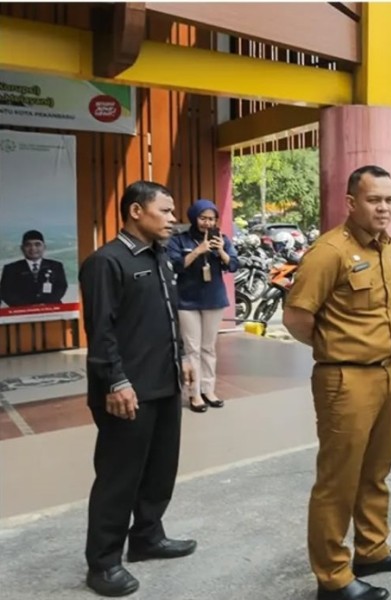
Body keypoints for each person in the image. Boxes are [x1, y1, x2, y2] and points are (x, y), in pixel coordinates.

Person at [283, 165, 391, 600]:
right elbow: (296, 318)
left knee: (376, 470)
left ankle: (372, 548)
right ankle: (333, 576)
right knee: (337, 480)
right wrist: (335, 347)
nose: (383, 208)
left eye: (388, 200)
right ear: (351, 203)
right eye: (373, 200)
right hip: (345, 378)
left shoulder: (389, 248)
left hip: (387, 372)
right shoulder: (330, 251)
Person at [80, 181, 197, 598]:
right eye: (164, 211)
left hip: (163, 383)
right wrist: (116, 380)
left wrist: (182, 356)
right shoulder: (106, 263)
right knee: (119, 476)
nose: (172, 219)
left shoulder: (161, 256)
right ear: (135, 211)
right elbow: (102, 331)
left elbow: (169, 314)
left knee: (160, 468)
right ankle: (104, 563)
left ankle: (147, 537)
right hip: (126, 390)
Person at [167, 199, 239, 413]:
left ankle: (209, 389)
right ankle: (194, 393)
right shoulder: (179, 240)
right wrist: (198, 250)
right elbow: (175, 266)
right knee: (192, 349)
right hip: (187, 301)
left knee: (208, 348)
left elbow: (234, 264)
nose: (207, 223)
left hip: (213, 299)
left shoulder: (222, 239)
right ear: (194, 218)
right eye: (203, 218)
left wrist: (220, 252)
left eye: (211, 219)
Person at [0, 229, 69, 307]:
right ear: (22, 248)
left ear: (44, 247)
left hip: (51, 309)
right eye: (28, 245)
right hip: (20, 311)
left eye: (37, 244)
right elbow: (6, 293)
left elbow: (61, 287)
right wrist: (29, 307)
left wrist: (44, 305)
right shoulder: (10, 269)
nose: (33, 248)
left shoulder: (56, 266)